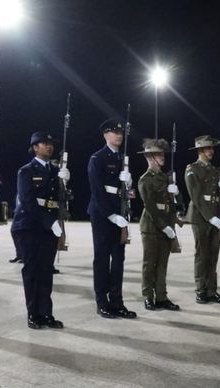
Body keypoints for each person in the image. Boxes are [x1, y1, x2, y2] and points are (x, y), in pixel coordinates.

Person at [11, 132, 69, 329]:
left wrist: (66, 182)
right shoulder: (26, 171)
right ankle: (33, 314)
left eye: (51, 144)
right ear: (35, 147)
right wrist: (48, 221)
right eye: (44, 143)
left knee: (46, 271)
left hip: (49, 227)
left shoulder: (55, 171)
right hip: (29, 226)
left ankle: (46, 313)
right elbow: (27, 201)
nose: (49, 146)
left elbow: (63, 199)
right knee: (32, 271)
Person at [87, 120, 137, 319]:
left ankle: (117, 301)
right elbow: (97, 190)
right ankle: (102, 302)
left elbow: (123, 191)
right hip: (102, 215)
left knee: (118, 260)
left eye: (121, 132)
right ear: (105, 135)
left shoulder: (122, 159)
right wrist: (111, 214)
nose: (119, 135)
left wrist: (129, 186)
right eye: (114, 132)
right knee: (101, 259)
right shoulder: (97, 158)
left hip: (120, 213)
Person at [184, 135, 220, 305]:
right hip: (201, 217)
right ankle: (200, 290)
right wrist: (210, 217)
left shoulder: (215, 170)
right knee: (202, 255)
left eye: (212, 148)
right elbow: (196, 196)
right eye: (208, 148)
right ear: (200, 150)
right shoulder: (192, 169)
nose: (212, 151)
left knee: (213, 255)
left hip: (215, 217)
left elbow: (219, 198)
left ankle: (212, 290)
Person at [137, 138, 180, 311]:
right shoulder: (145, 179)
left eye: (163, 153)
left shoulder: (166, 177)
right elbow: (150, 207)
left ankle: (162, 296)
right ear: (149, 157)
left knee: (163, 263)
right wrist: (165, 227)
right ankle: (148, 296)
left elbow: (172, 204)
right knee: (149, 264)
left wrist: (176, 194)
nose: (162, 157)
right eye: (158, 154)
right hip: (151, 227)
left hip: (166, 226)